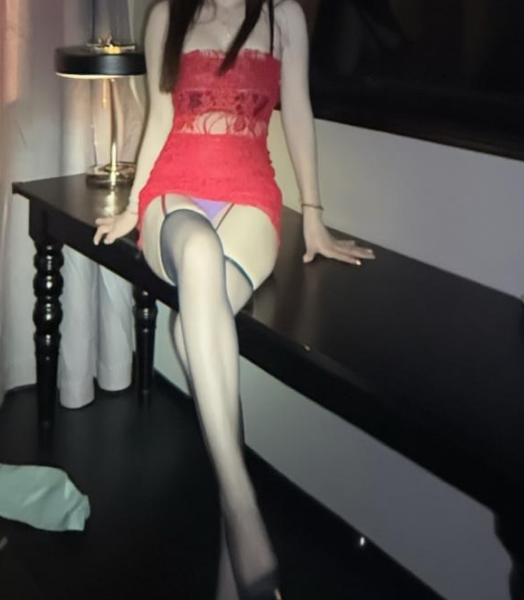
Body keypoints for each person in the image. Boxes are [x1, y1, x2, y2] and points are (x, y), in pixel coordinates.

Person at [92, 1, 374, 598]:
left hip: (251, 200)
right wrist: (133, 205)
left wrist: (314, 216)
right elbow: (160, 118)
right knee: (197, 256)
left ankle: (234, 543)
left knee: (189, 332)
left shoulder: (284, 16)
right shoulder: (168, 15)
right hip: (173, 195)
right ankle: (245, 509)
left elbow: (298, 112)